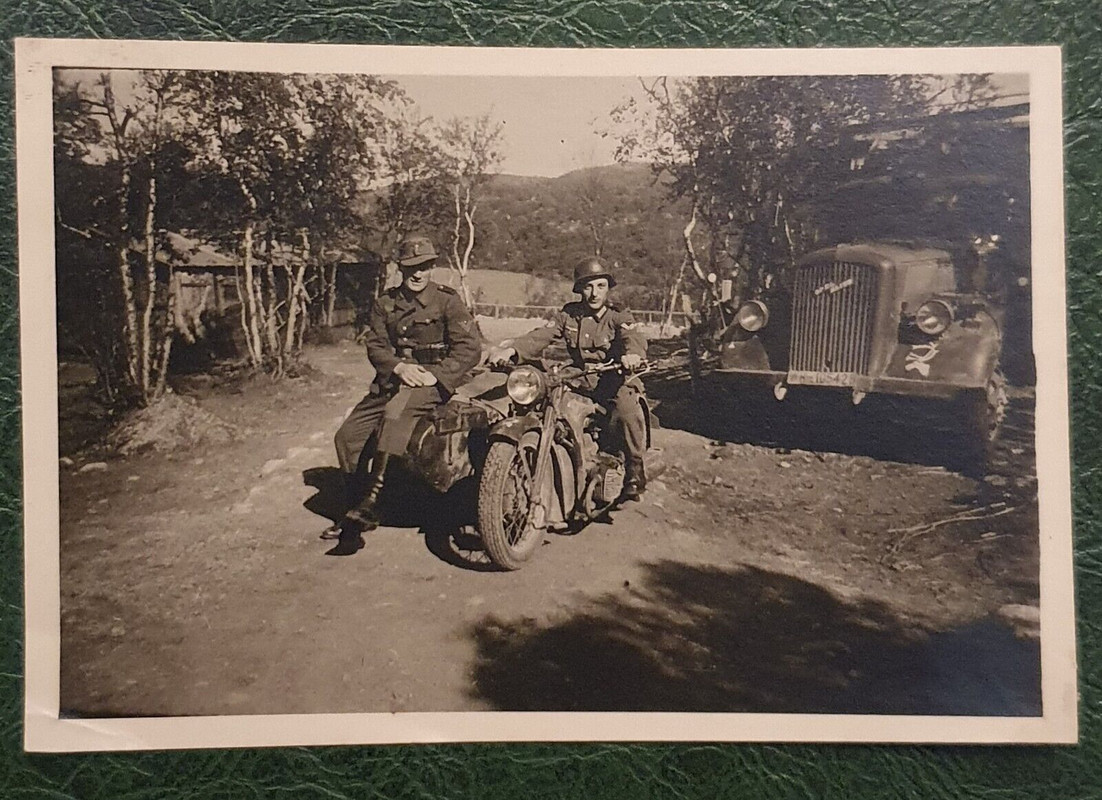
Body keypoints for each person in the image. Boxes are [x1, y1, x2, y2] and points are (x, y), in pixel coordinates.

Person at [328, 235, 481, 556]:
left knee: (394, 417)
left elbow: (470, 348)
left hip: (432, 381)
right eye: (411, 267)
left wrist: (436, 376)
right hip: (392, 381)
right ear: (400, 267)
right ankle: (354, 508)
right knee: (347, 437)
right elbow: (376, 346)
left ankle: (372, 502)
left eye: (424, 266)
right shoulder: (386, 303)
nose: (418, 273)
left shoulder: (447, 301)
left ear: (432, 267)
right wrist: (398, 368)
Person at [488, 256, 649, 501]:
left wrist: (633, 356)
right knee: (541, 396)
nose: (594, 293)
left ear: (608, 287)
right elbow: (541, 336)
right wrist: (512, 350)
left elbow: (633, 339)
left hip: (615, 378)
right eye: (588, 286)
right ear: (580, 289)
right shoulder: (569, 315)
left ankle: (635, 471)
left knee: (627, 411)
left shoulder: (619, 315)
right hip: (580, 376)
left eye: (600, 286)